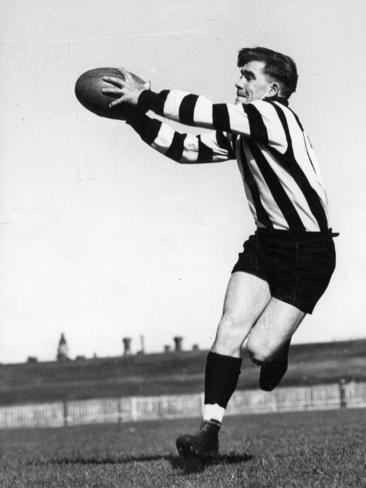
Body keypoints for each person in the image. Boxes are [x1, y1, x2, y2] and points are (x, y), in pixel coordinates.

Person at [102, 47, 337, 460]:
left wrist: (147, 96)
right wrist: (136, 117)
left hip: (309, 252)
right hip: (267, 245)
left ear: (273, 88)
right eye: (239, 75)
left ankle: (277, 347)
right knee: (228, 329)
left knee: (260, 350)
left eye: (248, 76)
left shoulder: (273, 116)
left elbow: (204, 112)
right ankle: (208, 433)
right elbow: (186, 147)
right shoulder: (245, 130)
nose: (239, 82)